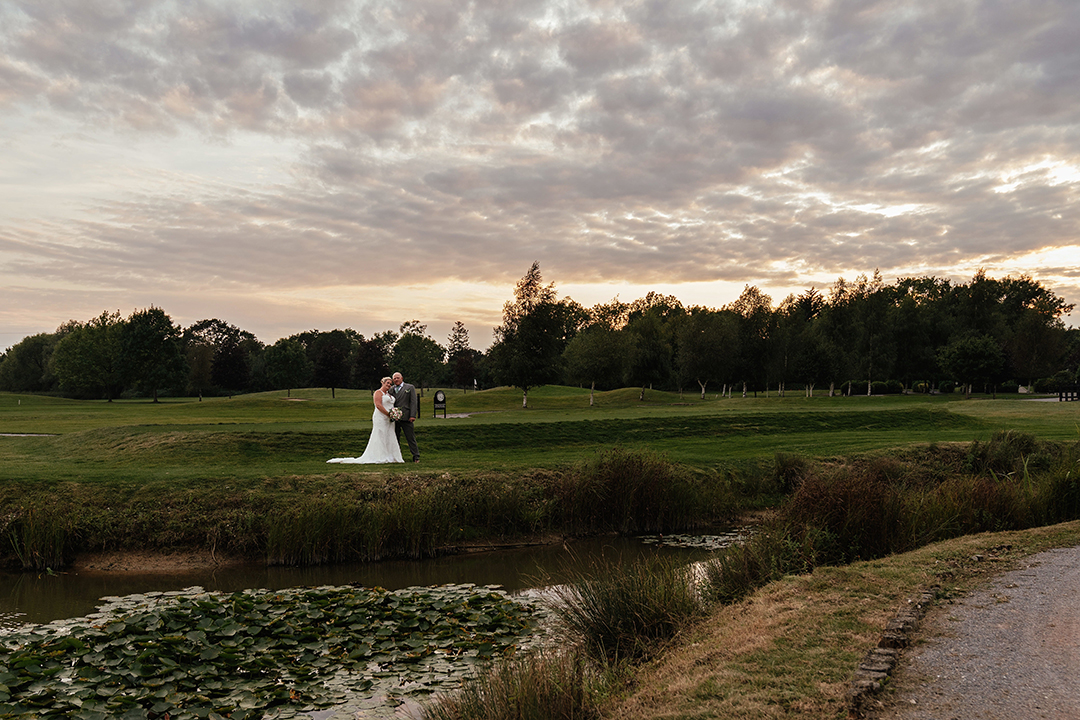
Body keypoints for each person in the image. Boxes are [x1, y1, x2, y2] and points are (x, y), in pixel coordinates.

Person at [327, 377, 404, 464]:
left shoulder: (389, 395)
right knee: (380, 434)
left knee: (390, 435)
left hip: (390, 419)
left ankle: (391, 456)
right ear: (383, 382)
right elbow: (378, 405)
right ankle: (380, 456)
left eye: (390, 384)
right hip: (381, 417)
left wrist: (394, 414)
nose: (389, 385)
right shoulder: (378, 393)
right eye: (387, 383)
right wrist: (388, 414)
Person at [390, 371, 420, 462]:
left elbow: (413, 402)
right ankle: (397, 456)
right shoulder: (391, 389)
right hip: (394, 418)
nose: (396, 379)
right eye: (394, 378)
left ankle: (416, 456)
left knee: (410, 437)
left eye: (397, 377)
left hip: (407, 417)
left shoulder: (409, 387)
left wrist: (412, 415)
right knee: (395, 438)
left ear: (402, 378)